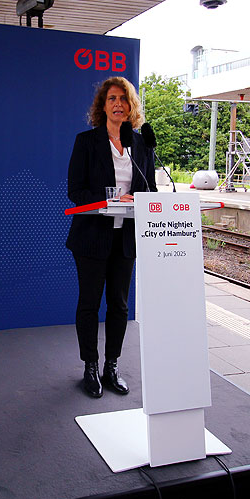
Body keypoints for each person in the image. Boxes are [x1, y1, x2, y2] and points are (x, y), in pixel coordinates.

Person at [65, 77, 157, 398]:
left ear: (131, 107)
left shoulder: (142, 145)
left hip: (126, 238)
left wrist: (138, 199)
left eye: (124, 99)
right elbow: (76, 191)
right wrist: (110, 201)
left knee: (119, 305)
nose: (119, 104)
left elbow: (151, 191)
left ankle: (111, 366)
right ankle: (90, 366)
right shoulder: (86, 142)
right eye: (112, 99)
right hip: (92, 236)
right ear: (102, 106)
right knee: (90, 304)